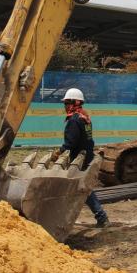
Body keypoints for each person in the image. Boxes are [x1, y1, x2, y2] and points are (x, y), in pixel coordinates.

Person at [51, 87, 110, 228]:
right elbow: (88, 139)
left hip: (78, 160)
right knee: (82, 187)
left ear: (73, 103)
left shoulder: (74, 120)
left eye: (66, 103)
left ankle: (100, 217)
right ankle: (101, 217)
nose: (64, 106)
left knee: (81, 188)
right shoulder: (85, 117)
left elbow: (70, 143)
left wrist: (57, 153)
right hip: (86, 156)